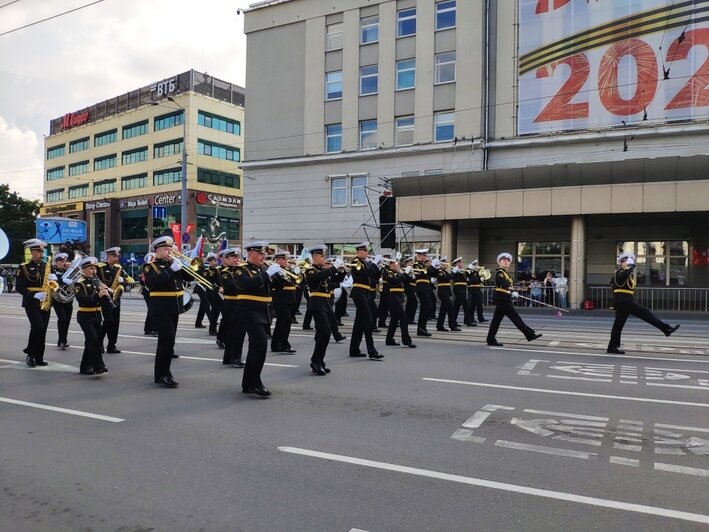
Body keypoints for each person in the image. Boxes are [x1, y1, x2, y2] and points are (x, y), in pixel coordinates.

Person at [607, 252, 679, 354]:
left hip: (623, 302)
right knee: (647, 314)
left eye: (628, 261)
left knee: (618, 325)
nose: (628, 263)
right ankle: (666, 329)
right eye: (626, 261)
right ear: (621, 262)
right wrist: (631, 266)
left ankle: (612, 347)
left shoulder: (625, 274)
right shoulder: (620, 273)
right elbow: (623, 276)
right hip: (625, 302)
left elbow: (633, 280)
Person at [235, 241, 281, 397]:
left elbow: (276, 288)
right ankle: (255, 382)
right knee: (260, 346)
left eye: (264, 254)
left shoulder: (263, 269)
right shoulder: (241, 270)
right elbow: (246, 285)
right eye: (260, 253)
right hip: (249, 313)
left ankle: (248, 383)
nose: (263, 256)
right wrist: (267, 274)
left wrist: (280, 275)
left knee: (257, 348)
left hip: (263, 313)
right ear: (250, 254)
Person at [142, 236, 184, 388]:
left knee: (169, 341)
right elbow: (155, 282)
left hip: (174, 307)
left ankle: (163, 372)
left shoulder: (172, 264)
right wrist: (171, 270)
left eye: (170, 249)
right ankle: (162, 374)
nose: (169, 252)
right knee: (166, 340)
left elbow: (188, 278)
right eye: (166, 249)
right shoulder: (150, 266)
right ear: (157, 250)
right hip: (160, 307)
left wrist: (183, 266)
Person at [486, 252, 542, 347]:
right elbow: (504, 285)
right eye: (504, 260)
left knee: (496, 320)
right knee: (515, 318)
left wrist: (514, 290)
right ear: (499, 262)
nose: (506, 262)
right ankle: (529, 335)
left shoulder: (506, 273)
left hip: (504, 298)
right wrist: (512, 290)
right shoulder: (500, 273)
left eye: (508, 261)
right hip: (502, 299)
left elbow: (509, 285)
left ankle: (490, 339)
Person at [303, 245, 343, 375]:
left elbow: (333, 282)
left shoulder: (322, 271)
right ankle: (316, 361)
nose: (323, 258)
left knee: (325, 333)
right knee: (325, 332)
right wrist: (333, 268)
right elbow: (315, 279)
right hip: (317, 304)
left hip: (326, 304)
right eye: (321, 256)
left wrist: (341, 272)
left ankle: (319, 361)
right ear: (315, 256)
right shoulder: (310, 270)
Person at [15, 239, 53, 367]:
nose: (41, 254)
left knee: (43, 330)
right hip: (31, 301)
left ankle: (39, 356)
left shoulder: (47, 266)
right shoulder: (24, 267)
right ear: (32, 252)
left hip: (46, 300)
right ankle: (30, 354)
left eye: (42, 251)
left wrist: (55, 278)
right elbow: (19, 287)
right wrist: (33, 294)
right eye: (38, 251)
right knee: (38, 326)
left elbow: (52, 284)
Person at [73, 256, 109, 376]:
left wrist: (107, 294)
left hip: (97, 314)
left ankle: (85, 366)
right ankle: (99, 366)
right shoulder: (79, 283)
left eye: (95, 268)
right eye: (90, 268)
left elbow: (101, 300)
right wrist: (98, 295)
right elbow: (82, 299)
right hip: (85, 314)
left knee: (93, 341)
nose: (94, 271)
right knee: (93, 339)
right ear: (83, 270)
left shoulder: (97, 282)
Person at [349, 242, 383, 359]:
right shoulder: (355, 262)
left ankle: (354, 349)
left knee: (359, 323)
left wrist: (379, 267)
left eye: (367, 251)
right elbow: (364, 274)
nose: (367, 253)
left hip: (366, 294)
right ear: (358, 251)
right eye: (364, 251)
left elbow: (374, 279)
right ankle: (372, 351)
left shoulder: (366, 263)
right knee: (368, 320)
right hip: (359, 293)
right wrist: (374, 265)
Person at [219, 247, 245, 366]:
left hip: (240, 304)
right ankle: (230, 358)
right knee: (231, 332)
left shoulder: (242, 270)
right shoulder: (225, 272)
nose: (236, 259)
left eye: (237, 257)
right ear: (227, 259)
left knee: (240, 332)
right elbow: (231, 287)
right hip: (230, 303)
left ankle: (235, 357)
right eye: (233, 257)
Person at [97, 246, 125, 354]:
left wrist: (123, 282)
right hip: (105, 297)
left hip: (116, 297)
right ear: (108, 256)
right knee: (109, 320)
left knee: (115, 322)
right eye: (114, 256)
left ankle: (111, 345)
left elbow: (125, 281)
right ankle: (99, 342)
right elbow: (96, 280)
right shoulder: (100, 267)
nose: (116, 258)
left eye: (117, 256)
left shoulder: (118, 268)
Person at [270, 249, 297, 354]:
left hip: (289, 299)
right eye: (284, 259)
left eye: (286, 259)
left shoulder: (287, 270)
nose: (286, 261)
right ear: (278, 260)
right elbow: (278, 284)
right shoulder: (275, 270)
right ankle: (284, 344)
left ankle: (275, 345)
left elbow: (294, 281)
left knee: (281, 322)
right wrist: (281, 275)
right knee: (286, 321)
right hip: (280, 299)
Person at [385, 258, 416, 348]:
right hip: (393, 297)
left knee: (394, 320)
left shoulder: (399, 273)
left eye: (398, 264)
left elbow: (405, 281)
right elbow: (395, 281)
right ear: (390, 265)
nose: (398, 265)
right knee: (403, 318)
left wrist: (410, 274)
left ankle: (389, 339)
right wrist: (405, 273)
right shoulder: (389, 273)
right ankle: (407, 341)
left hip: (399, 297)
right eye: (395, 264)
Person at [51, 253, 74, 350]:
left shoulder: (68, 271)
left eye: (64, 261)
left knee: (67, 319)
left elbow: (75, 281)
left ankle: (64, 340)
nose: (63, 263)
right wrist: (62, 280)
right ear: (56, 262)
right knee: (62, 318)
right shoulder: (52, 271)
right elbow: (52, 282)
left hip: (68, 299)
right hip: (57, 299)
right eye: (61, 261)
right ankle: (61, 340)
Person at [413, 249, 437, 336]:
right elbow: (422, 274)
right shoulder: (416, 265)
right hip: (421, 288)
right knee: (428, 307)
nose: (425, 257)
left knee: (425, 309)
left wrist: (430, 266)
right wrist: (427, 266)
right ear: (419, 256)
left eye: (425, 255)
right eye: (423, 255)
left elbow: (434, 273)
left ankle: (422, 328)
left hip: (427, 288)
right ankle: (421, 328)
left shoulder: (425, 265)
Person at [435, 257, 460, 331]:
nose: (447, 265)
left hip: (446, 292)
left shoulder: (445, 272)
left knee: (443, 310)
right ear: (441, 265)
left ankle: (439, 326)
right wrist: (453, 272)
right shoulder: (439, 272)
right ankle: (452, 326)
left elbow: (452, 277)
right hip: (442, 292)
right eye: (445, 263)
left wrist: (454, 272)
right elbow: (444, 278)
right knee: (450, 308)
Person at [202, 252, 222, 336]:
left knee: (217, 311)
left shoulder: (218, 270)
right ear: (209, 262)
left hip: (217, 292)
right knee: (215, 311)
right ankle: (212, 330)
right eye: (213, 261)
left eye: (215, 260)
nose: (215, 262)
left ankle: (214, 329)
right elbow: (207, 281)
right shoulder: (207, 271)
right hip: (211, 292)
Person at [140, 252, 157, 336]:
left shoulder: (154, 267)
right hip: (147, 291)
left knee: (151, 310)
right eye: (153, 257)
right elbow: (142, 281)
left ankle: (149, 329)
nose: (155, 259)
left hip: (152, 291)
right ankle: (151, 329)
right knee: (152, 310)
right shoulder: (146, 268)